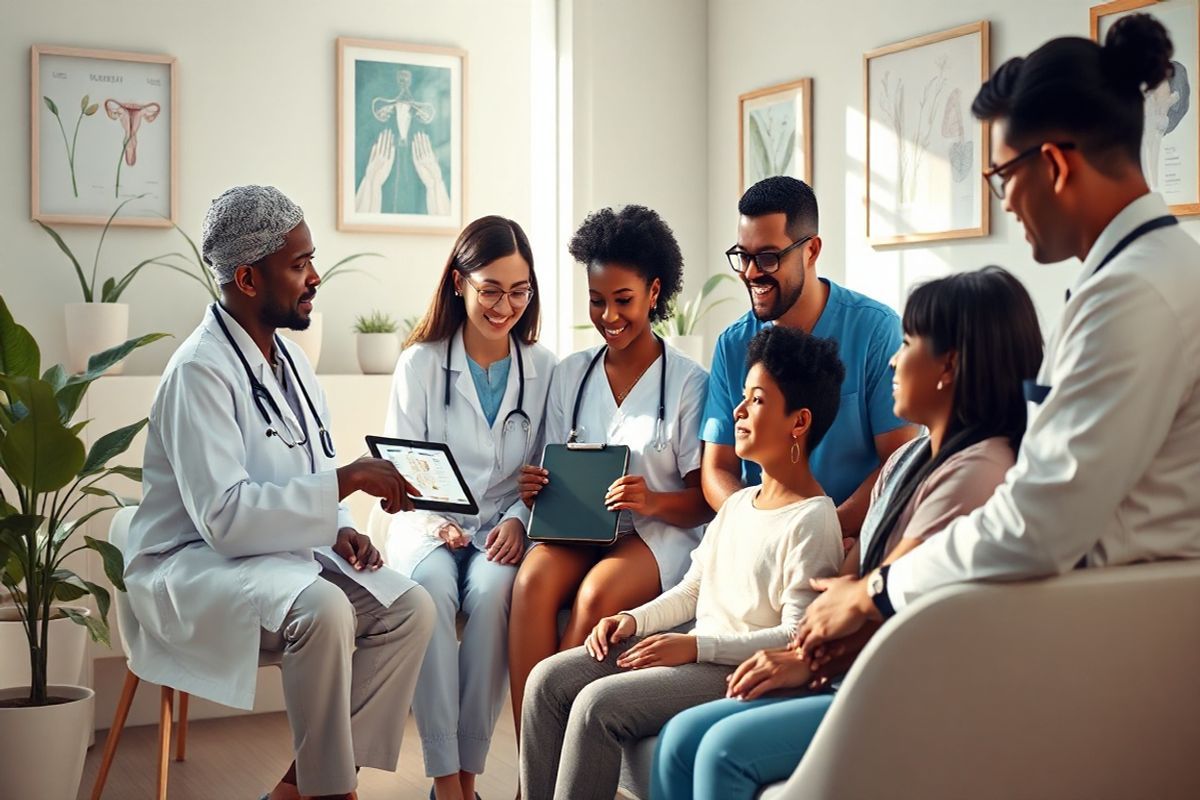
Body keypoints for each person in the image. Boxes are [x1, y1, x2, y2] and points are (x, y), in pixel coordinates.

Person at [795, 13, 1200, 666]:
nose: (1006, 202)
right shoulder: (1158, 272)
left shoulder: (1132, 296)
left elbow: (1035, 524)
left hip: (1111, 644)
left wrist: (875, 591)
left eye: (1002, 176)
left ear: (1055, 165)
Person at [652, 266, 1044, 800]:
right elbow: (855, 578)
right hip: (854, 671)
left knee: (721, 751)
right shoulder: (911, 456)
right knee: (678, 739)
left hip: (899, 686)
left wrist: (800, 659)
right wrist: (807, 640)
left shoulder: (976, 472)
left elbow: (890, 594)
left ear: (948, 365)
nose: (892, 359)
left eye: (908, 344)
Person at [123, 185, 436, 800]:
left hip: (275, 557)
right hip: (194, 564)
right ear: (246, 277)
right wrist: (343, 482)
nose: (315, 277)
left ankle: (299, 788)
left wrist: (340, 525)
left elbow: (306, 467)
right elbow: (226, 519)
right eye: (298, 265)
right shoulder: (198, 372)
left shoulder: (289, 360)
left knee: (411, 609)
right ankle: (332, 792)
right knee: (324, 611)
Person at [519, 326, 846, 800]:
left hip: (736, 668)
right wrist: (633, 620)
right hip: (698, 650)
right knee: (547, 681)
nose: (738, 411)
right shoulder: (739, 503)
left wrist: (694, 648)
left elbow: (794, 638)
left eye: (756, 400)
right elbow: (694, 589)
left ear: (799, 422)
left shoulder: (814, 520)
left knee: (595, 705)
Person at [508, 205, 712, 736]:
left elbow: (703, 500)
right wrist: (535, 488)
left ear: (654, 292)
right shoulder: (572, 374)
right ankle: (535, 775)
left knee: (597, 594)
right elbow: (551, 465)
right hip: (579, 526)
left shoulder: (688, 382)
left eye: (623, 300)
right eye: (597, 301)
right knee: (530, 582)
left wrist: (650, 501)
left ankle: (556, 764)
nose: (609, 317)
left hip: (657, 531)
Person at [384, 216, 557, 800]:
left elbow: (543, 473)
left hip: (504, 527)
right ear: (459, 283)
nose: (504, 305)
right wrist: (435, 521)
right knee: (430, 591)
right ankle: (445, 781)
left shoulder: (543, 368)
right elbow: (401, 467)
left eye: (519, 291)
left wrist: (516, 519)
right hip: (425, 523)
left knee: (491, 596)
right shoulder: (421, 364)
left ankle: (469, 775)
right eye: (490, 289)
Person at [702, 176, 916, 535]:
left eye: (768, 257)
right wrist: (758, 535)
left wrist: (823, 533)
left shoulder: (876, 331)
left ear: (812, 251)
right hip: (761, 537)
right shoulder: (732, 343)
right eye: (743, 256)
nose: (751, 273)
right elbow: (716, 470)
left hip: (851, 536)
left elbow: (898, 464)